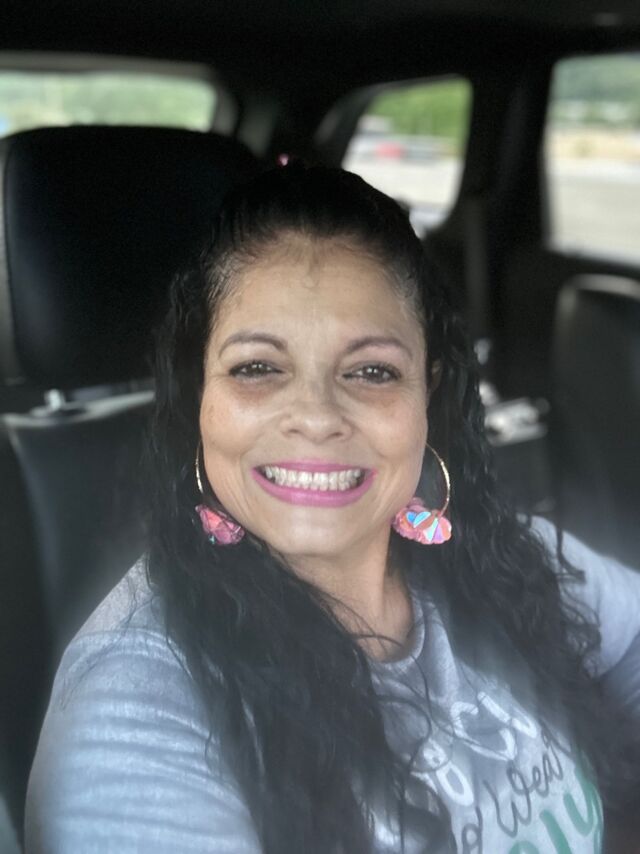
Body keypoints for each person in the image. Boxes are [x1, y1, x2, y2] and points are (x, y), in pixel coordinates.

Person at [25, 164, 640, 853]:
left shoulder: (504, 559)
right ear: (201, 397)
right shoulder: (134, 712)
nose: (317, 417)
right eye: (258, 368)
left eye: (372, 371)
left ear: (427, 396)